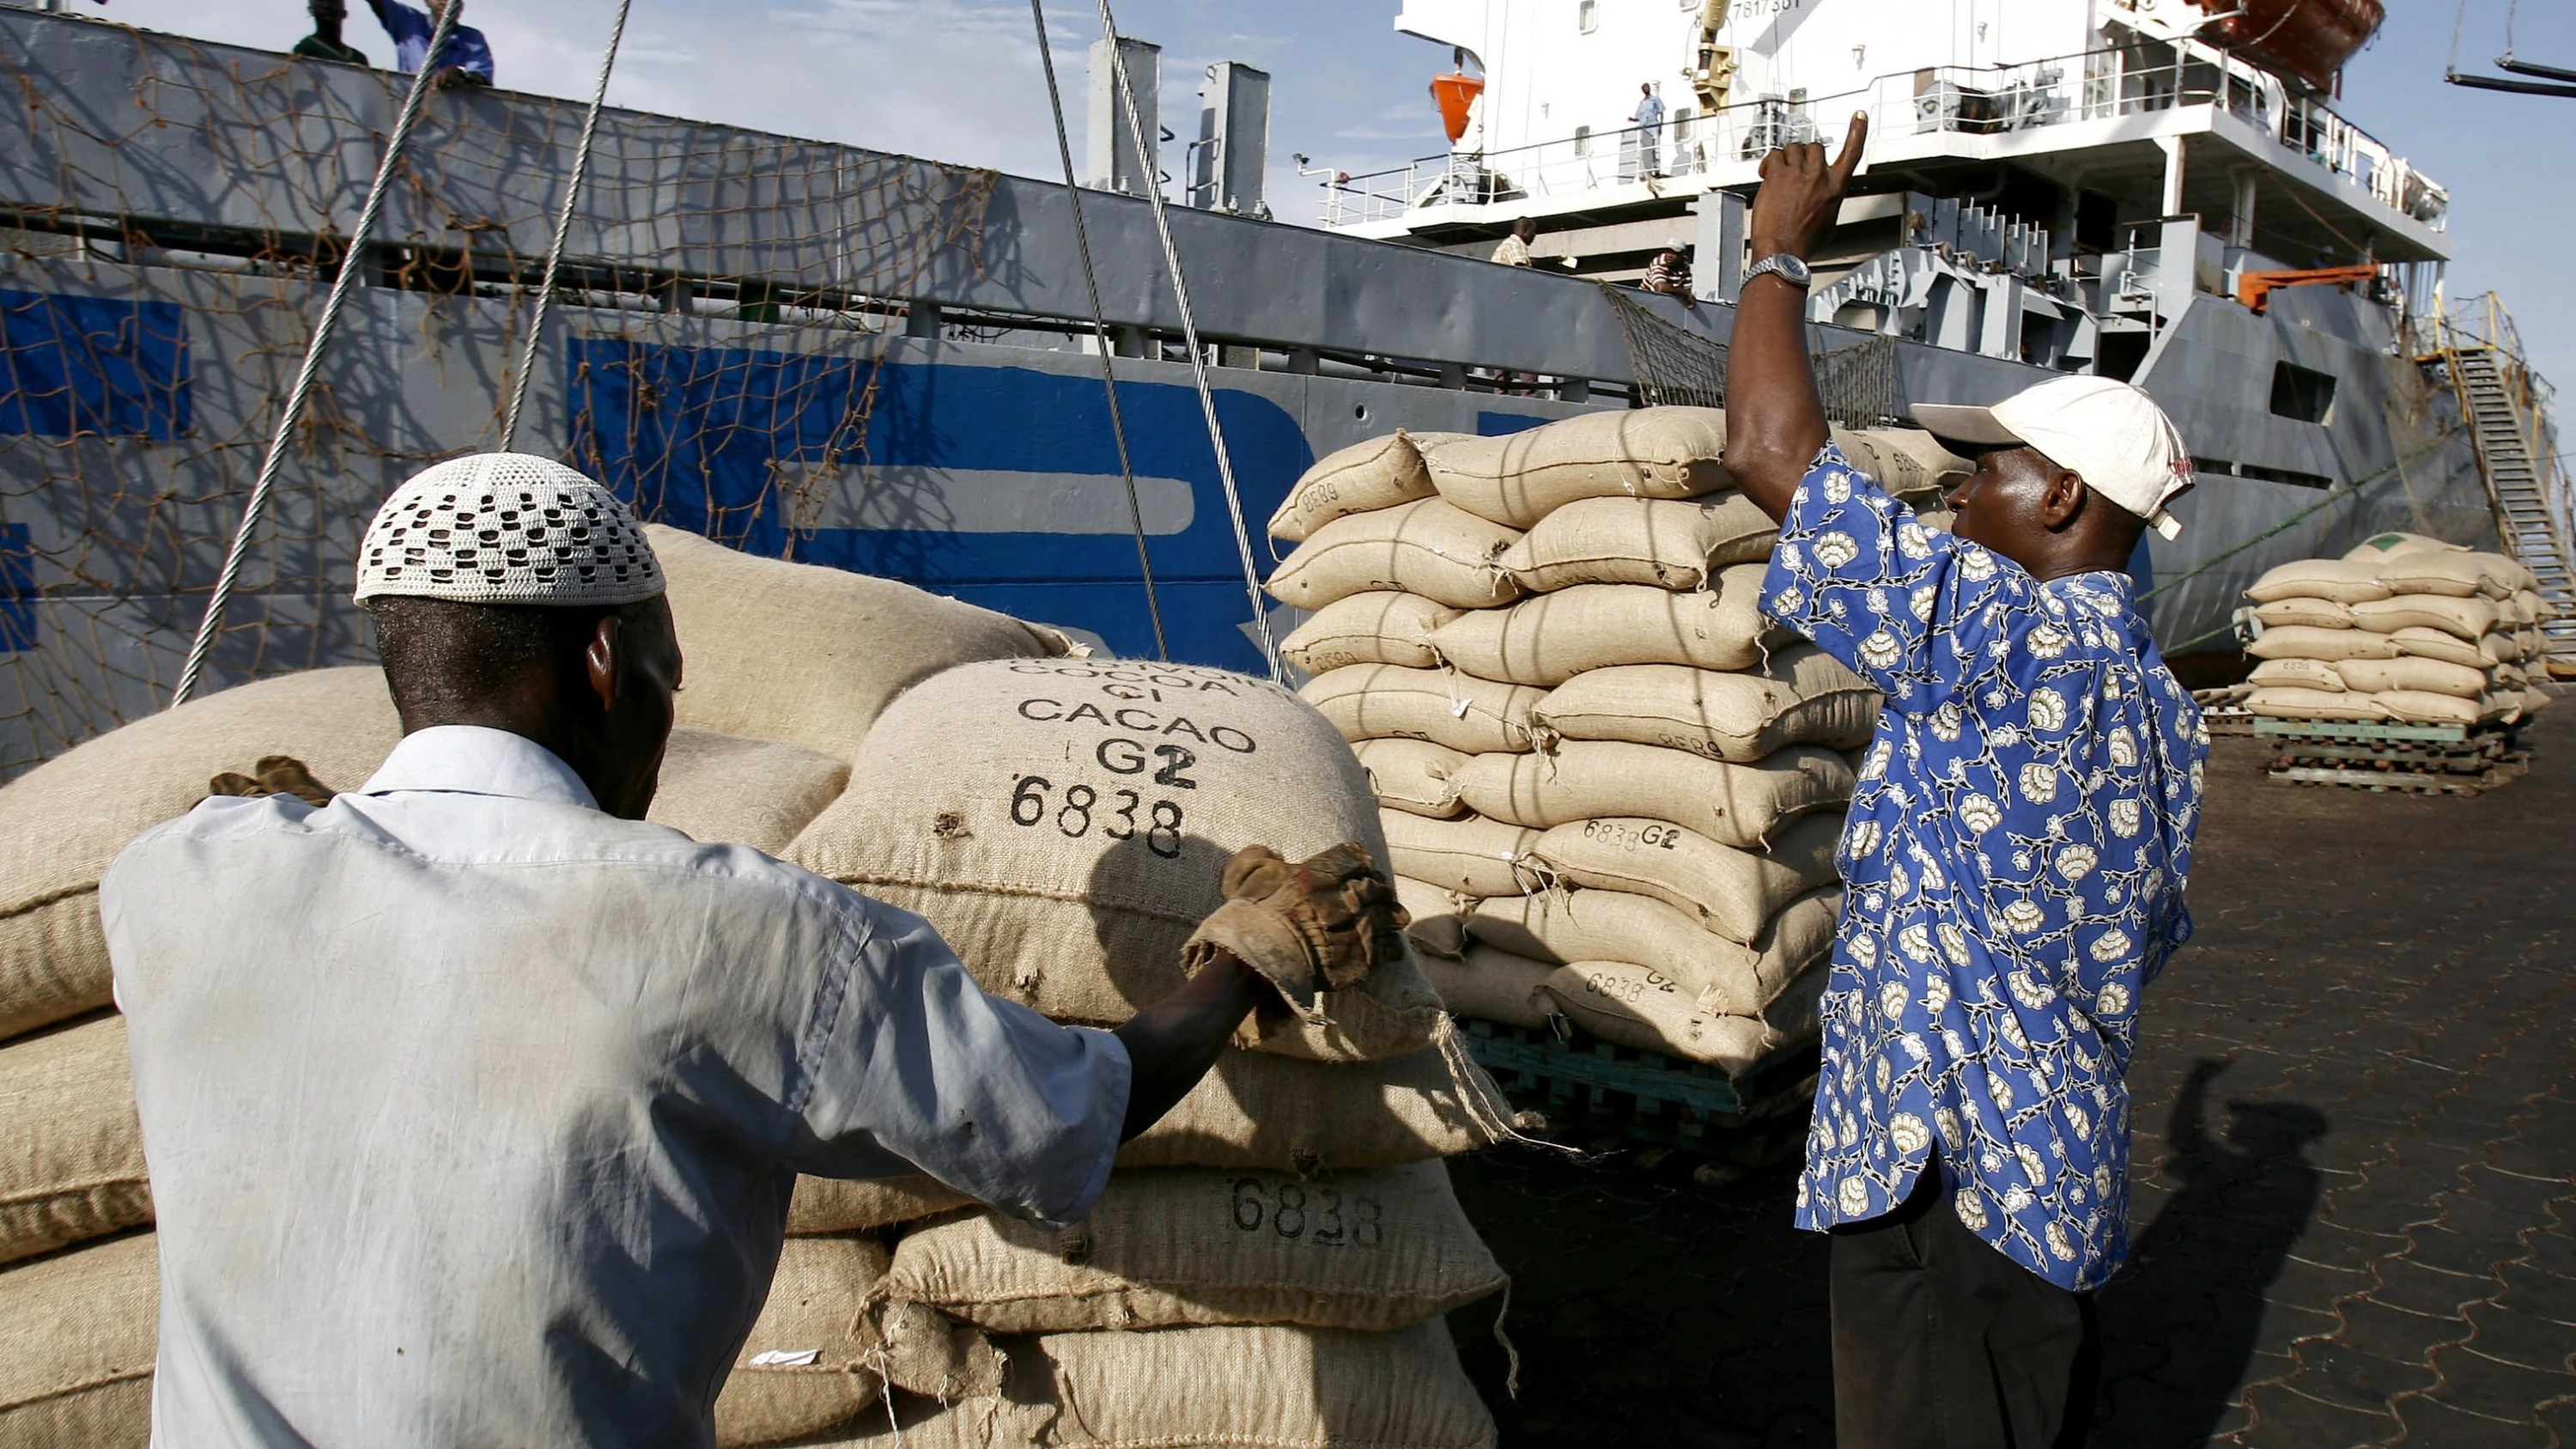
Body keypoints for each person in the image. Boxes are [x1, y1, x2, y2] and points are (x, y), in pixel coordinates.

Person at [100, 454, 1406, 1446]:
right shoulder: (741, 929)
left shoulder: (176, 880)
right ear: (604, 661)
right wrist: (1254, 950)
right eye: (668, 675)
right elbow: (1070, 1111)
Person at [1722, 114, 2208, 1449]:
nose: (1954, 494)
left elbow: (1768, 451)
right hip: (2051, 1176)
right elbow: (2146, 931)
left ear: (2062, 501)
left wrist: (1777, 256)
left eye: (1985, 470)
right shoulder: (2168, 711)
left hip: (1943, 1180)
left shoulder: (2004, 637)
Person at [364, 0, 494, 88]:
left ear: (460, 6)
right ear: (427, 1)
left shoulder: (473, 39)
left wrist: (459, 73)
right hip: (410, 106)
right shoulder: (408, 21)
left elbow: (481, 76)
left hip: (456, 114)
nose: (444, 1)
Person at [291, 0, 368, 65]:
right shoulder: (305, 49)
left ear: (345, 13)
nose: (327, 5)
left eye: (334, 1)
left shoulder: (359, 59)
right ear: (310, 10)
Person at [1641, 241, 1696, 308]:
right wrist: (1686, 293)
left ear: (1682, 255)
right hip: (1645, 300)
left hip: (1668, 302)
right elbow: (1660, 288)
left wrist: (1687, 295)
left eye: (1674, 253)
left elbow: (1687, 288)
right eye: (1668, 252)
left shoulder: (1684, 264)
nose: (1669, 255)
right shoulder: (1659, 262)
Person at [1632, 82, 1667, 178]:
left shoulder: (1655, 99)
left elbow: (1661, 111)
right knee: (1647, 150)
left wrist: (1661, 124)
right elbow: (1638, 116)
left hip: (1654, 126)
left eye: (1647, 87)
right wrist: (1632, 120)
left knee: (1656, 149)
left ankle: (1657, 169)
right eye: (1644, 88)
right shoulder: (1642, 103)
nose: (1646, 89)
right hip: (1645, 128)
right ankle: (1647, 170)